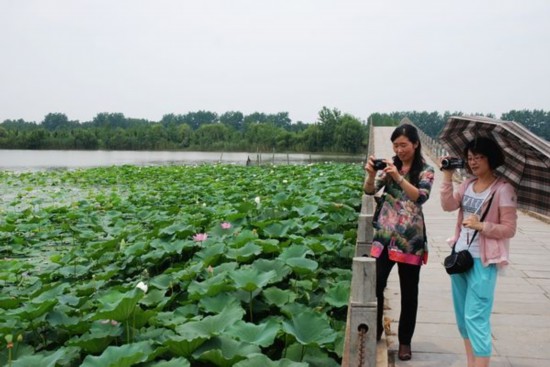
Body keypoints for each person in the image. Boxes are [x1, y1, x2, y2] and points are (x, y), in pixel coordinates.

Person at [439, 137, 517, 367]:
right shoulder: (467, 185)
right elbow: (447, 206)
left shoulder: (503, 189)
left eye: (478, 157)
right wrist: (447, 177)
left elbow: (509, 229)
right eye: (470, 158)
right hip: (460, 257)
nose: (473, 162)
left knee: (476, 318)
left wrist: (482, 226)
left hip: (483, 261)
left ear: (490, 158)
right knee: (463, 320)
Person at [363, 124, 434, 361]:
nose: (399, 149)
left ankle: (405, 342)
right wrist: (372, 174)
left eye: (404, 145)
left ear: (415, 144)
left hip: (409, 240)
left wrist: (399, 178)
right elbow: (368, 190)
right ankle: (376, 331)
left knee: (409, 292)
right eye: (395, 145)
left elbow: (420, 197)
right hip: (384, 236)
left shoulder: (426, 170)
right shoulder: (390, 166)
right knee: (376, 283)